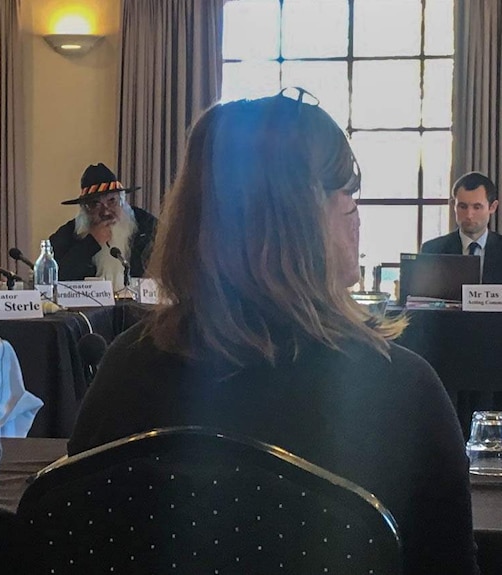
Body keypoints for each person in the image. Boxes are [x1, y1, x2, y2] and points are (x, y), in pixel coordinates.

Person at [68, 93, 477, 574]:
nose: (357, 214)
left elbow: (75, 544)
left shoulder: (124, 371)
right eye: (347, 192)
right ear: (301, 220)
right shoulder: (403, 391)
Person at [49, 163, 157, 289]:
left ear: (122, 200)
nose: (105, 211)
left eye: (111, 201)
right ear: (85, 209)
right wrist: (90, 243)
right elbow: (53, 279)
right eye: (95, 204)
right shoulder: (68, 234)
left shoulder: (146, 224)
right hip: (88, 308)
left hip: (138, 307)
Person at [421, 171, 502, 283]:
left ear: (492, 207)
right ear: (453, 205)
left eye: (477, 207)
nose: (469, 215)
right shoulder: (432, 250)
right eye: (463, 206)